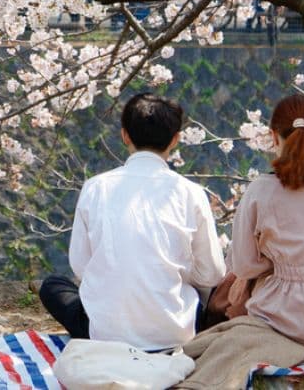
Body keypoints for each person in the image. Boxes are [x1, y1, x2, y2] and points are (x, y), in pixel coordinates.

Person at [177, 94, 304, 389]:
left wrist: (279, 261)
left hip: (286, 321)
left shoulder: (261, 191)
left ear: (273, 136)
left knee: (235, 288)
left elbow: (246, 266)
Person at [39, 93, 226, 351]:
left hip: (105, 334)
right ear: (175, 140)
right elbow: (213, 273)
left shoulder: (96, 187)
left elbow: (81, 266)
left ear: (125, 135)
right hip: (176, 333)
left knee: (52, 286)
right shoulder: (191, 192)